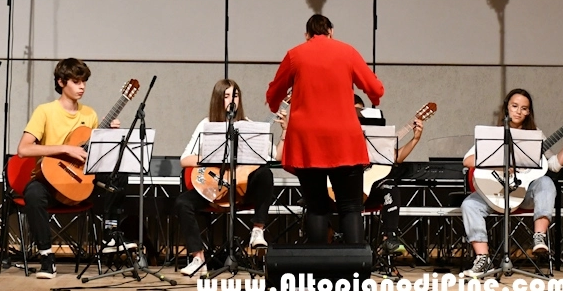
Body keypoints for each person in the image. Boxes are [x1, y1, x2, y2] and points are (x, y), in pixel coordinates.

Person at [266, 14, 384, 245]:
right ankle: (355, 265)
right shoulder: (348, 52)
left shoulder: (295, 55)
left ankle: (318, 263)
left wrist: (273, 104)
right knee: (351, 207)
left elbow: (274, 93)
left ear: (307, 35)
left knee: (317, 207)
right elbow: (375, 89)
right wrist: (374, 95)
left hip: (307, 142)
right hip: (344, 140)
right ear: (331, 31)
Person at [461, 88, 563, 278]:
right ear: (507, 108)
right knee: (469, 204)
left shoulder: (535, 135)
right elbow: (467, 160)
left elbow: (555, 165)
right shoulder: (493, 134)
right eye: (515, 106)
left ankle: (539, 237)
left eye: (524, 108)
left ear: (529, 112)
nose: (518, 111)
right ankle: (482, 259)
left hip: (522, 194)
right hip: (495, 193)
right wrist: (501, 164)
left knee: (546, 182)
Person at [17, 58, 120, 279]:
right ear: (61, 82)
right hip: (50, 183)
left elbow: (96, 155)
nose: (82, 87)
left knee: (117, 177)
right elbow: (24, 149)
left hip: (79, 184)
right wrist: (65, 149)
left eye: (84, 82)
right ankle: (47, 257)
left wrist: (109, 136)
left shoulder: (89, 114)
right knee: (33, 193)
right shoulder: (45, 111)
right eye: (76, 81)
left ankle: (110, 234)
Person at [174, 79, 274, 277]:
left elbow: (274, 155)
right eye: (226, 96)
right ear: (218, 99)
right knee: (182, 203)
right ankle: (198, 259)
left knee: (266, 174)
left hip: (241, 189)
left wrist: (285, 130)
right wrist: (211, 157)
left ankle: (258, 230)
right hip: (213, 188)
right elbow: (184, 160)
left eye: (235, 95)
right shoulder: (206, 124)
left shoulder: (248, 125)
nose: (231, 100)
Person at [356, 95, 424, 254]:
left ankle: (389, 237)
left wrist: (415, 139)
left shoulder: (374, 138)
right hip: (342, 191)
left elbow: (395, 158)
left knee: (390, 186)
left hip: (369, 191)